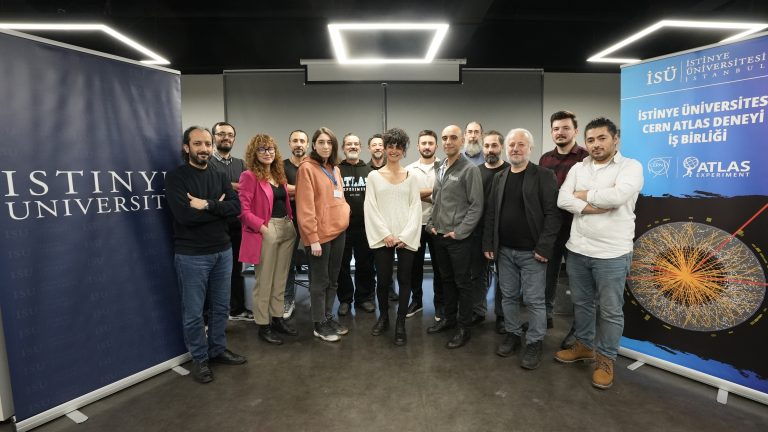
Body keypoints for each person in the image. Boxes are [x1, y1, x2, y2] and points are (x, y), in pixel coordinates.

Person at [554, 117, 643, 389]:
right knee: (582, 303)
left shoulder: (631, 167)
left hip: (612, 253)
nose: (595, 144)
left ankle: (606, 359)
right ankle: (584, 346)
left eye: (602, 138)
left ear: (615, 139)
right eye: (590, 140)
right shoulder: (578, 167)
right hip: (578, 249)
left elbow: (617, 197)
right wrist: (591, 205)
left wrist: (582, 195)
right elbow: (562, 198)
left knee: (610, 310)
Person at [165, 126, 247, 384]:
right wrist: (219, 208)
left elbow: (236, 208)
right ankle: (200, 358)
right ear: (186, 147)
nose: (204, 148)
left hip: (223, 251)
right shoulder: (176, 178)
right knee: (194, 312)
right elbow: (185, 216)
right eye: (198, 143)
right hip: (192, 256)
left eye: (207, 144)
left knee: (221, 307)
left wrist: (207, 204)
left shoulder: (219, 175)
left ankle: (218, 349)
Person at [483, 128, 561, 370]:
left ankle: (535, 341)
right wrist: (488, 243)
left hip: (533, 253)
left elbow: (553, 215)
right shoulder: (500, 177)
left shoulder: (544, 175)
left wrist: (544, 247)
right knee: (508, 296)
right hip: (504, 251)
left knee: (534, 300)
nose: (515, 148)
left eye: (521, 144)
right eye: (511, 145)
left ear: (530, 148)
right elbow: (492, 213)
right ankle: (513, 334)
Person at [425, 124, 484, 349]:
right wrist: (431, 224)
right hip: (439, 235)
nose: (448, 142)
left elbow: (476, 206)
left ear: (462, 141)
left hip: (458, 239)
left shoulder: (470, 169)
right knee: (446, 281)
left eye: (453, 138)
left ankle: (464, 328)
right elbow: (436, 199)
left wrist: (460, 232)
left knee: (463, 284)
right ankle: (449, 319)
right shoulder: (440, 166)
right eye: (445, 138)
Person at [364, 128, 422, 345]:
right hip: (383, 237)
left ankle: (400, 323)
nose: (394, 150)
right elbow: (370, 208)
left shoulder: (411, 177)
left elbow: (416, 208)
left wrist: (405, 236)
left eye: (399, 147)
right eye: (391, 146)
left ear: (404, 150)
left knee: (405, 280)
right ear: (385, 148)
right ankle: (384, 318)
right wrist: (385, 234)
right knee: (383, 281)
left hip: (406, 237)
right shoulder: (373, 176)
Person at [239, 134, 297, 345]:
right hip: (267, 229)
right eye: (262, 149)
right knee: (264, 281)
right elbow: (243, 211)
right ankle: (263, 325)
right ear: (254, 153)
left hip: (287, 227)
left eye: (270, 148)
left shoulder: (277, 173)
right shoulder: (249, 176)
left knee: (280, 279)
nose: (267, 153)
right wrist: (263, 228)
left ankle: (277, 318)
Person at [539, 111, 589, 347]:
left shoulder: (586, 158)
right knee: (546, 279)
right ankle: (544, 317)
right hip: (551, 230)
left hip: (577, 230)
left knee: (578, 283)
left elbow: (590, 192)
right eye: (556, 129)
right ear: (552, 132)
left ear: (575, 131)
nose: (560, 132)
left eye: (565, 128)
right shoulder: (545, 159)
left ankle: (578, 331)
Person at [296, 127, 351, 342]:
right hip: (319, 236)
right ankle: (318, 324)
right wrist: (313, 239)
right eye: (321, 142)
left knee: (333, 280)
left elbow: (339, 197)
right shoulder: (306, 169)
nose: (326, 146)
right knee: (320, 281)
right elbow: (305, 208)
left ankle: (328, 317)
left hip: (339, 231)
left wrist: (345, 213)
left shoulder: (334, 168)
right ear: (314, 145)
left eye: (329, 142)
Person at [208, 121, 251, 322]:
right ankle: (211, 314)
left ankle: (237, 309)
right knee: (214, 271)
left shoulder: (240, 164)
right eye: (221, 134)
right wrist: (236, 186)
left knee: (236, 270)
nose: (226, 137)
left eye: (230, 135)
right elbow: (212, 188)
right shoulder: (207, 162)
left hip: (236, 224)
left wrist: (227, 186)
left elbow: (249, 188)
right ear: (214, 137)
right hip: (214, 224)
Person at [405, 130, 443, 320]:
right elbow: (407, 194)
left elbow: (448, 194)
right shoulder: (409, 169)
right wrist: (436, 192)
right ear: (418, 146)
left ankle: (440, 304)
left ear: (436, 146)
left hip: (438, 225)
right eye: (424, 143)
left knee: (440, 268)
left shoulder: (445, 167)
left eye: (430, 143)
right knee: (415, 267)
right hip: (416, 225)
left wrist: (419, 193)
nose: (427, 146)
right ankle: (417, 301)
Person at [336, 133, 376, 316]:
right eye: (349, 144)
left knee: (365, 265)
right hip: (341, 227)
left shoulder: (370, 172)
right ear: (343, 148)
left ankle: (364, 298)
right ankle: (345, 300)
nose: (352, 146)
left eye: (355, 144)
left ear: (360, 148)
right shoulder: (336, 170)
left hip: (365, 227)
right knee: (342, 265)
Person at [475, 130, 510, 334]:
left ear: (501, 147)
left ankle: (501, 316)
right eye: (486, 146)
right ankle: (478, 311)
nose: (490, 150)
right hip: (478, 232)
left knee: (503, 278)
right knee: (478, 275)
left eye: (494, 145)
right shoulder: (475, 172)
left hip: (502, 233)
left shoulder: (509, 171)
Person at [282, 129, 308, 319]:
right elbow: (280, 189)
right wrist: (307, 190)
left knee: (316, 262)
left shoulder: (313, 165)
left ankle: (318, 301)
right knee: (287, 262)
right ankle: (287, 299)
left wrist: (293, 191)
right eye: (295, 140)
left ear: (307, 144)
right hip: (289, 219)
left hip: (312, 220)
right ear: (289, 143)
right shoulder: (280, 166)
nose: (298, 144)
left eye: (302, 141)